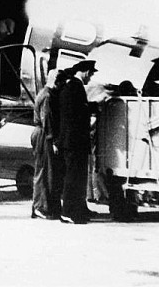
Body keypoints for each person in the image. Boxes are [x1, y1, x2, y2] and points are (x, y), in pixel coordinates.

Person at [56, 59, 97, 224]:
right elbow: (77, 112)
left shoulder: (71, 86)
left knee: (77, 177)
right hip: (74, 141)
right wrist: (92, 108)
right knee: (73, 177)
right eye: (91, 74)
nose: (91, 78)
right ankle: (68, 212)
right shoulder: (75, 87)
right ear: (86, 72)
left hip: (73, 141)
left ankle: (78, 209)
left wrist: (90, 106)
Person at [30, 68, 66, 220]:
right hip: (44, 135)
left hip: (42, 133)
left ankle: (44, 206)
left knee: (45, 170)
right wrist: (53, 140)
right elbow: (48, 119)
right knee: (44, 170)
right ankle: (40, 206)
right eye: (61, 82)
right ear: (56, 81)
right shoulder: (48, 96)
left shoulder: (46, 93)